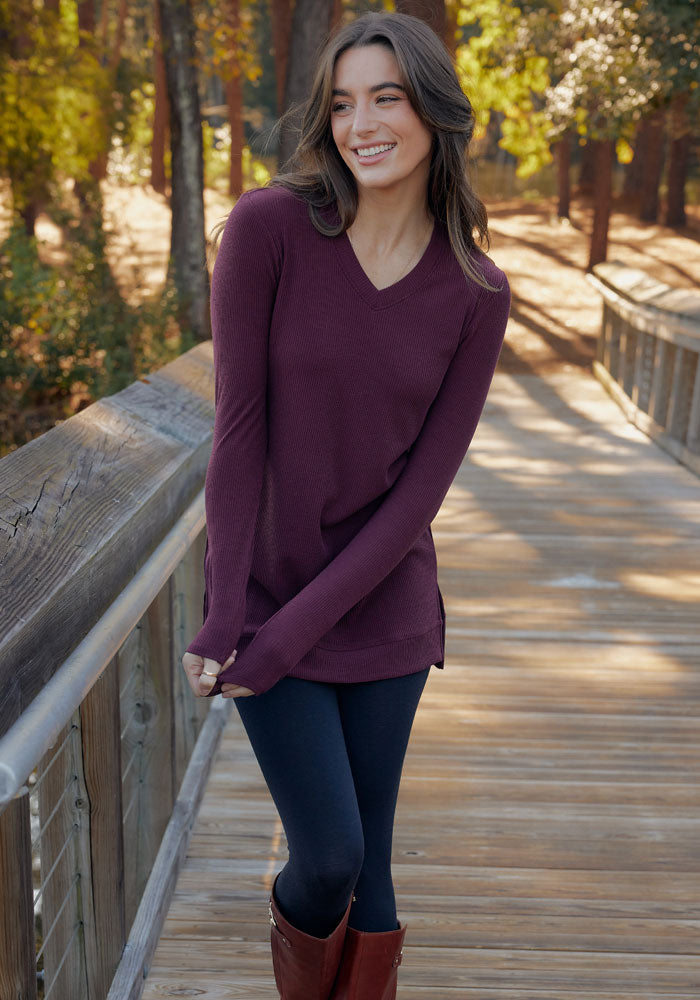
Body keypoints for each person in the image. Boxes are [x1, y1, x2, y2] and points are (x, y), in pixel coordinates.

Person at [181, 10, 510, 1000]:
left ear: (433, 114)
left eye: (387, 98)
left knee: (371, 871)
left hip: (385, 610)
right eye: (342, 103)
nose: (362, 123)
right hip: (267, 601)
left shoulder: (476, 291)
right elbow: (237, 431)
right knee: (326, 854)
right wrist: (235, 613)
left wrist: (290, 638)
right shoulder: (270, 227)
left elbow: (418, 497)